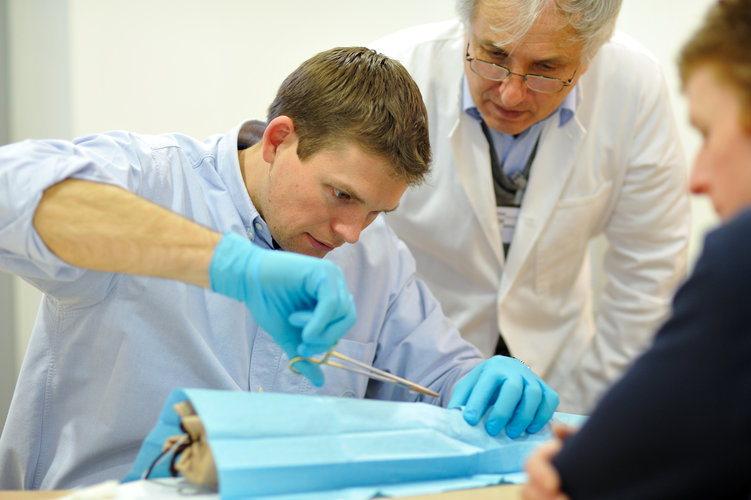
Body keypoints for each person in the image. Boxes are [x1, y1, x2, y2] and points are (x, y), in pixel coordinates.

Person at [0, 47, 559, 490]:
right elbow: (12, 192)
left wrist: (479, 383)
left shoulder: (375, 252)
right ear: (278, 139)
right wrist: (230, 265)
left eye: (375, 210)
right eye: (341, 195)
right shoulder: (153, 179)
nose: (352, 233)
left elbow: (434, 382)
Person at [371, 0, 691, 413]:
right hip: (415, 370)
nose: (511, 93)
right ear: (467, 27)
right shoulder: (398, 72)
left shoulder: (633, 85)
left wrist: (587, 408)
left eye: (545, 69)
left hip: (558, 371)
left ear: (589, 57)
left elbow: (650, 270)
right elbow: (355, 244)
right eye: (494, 55)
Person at [522, 0, 751, 497]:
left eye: (710, 134)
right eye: (494, 54)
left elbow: (584, 476)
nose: (698, 178)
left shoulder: (741, 259)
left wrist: (581, 462)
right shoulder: (408, 65)